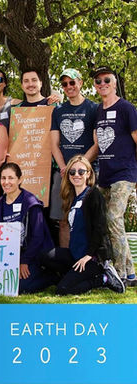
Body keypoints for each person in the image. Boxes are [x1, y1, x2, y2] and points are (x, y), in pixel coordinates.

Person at [40, 155, 125, 295]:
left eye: (81, 171)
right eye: (72, 172)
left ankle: (102, 279)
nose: (76, 175)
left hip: (91, 258)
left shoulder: (93, 195)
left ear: (88, 174)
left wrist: (88, 256)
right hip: (75, 255)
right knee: (44, 256)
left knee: (62, 290)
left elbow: (100, 229)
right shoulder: (72, 197)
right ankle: (72, 275)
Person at [92, 66, 137, 285]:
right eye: (98, 81)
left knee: (113, 217)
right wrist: (78, 162)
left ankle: (119, 272)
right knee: (102, 219)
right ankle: (129, 273)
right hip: (104, 175)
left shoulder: (127, 108)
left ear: (114, 82)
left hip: (125, 173)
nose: (102, 84)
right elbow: (97, 144)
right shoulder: (98, 111)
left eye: (106, 80)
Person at [50, 68, 98, 247]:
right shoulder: (58, 110)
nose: (69, 86)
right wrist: (64, 168)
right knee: (63, 221)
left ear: (81, 83)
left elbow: (97, 143)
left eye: (72, 82)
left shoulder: (93, 108)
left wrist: (80, 167)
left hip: (86, 173)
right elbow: (54, 143)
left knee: (88, 221)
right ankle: (67, 266)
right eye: (64, 84)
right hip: (62, 173)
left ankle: (90, 264)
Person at [0, 163, 55, 293]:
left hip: (35, 255)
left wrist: (24, 261)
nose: (6, 182)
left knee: (21, 287)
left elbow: (38, 236)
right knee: (4, 283)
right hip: (13, 256)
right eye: (3, 178)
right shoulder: (0, 203)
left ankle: (53, 276)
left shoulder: (30, 202)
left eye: (11, 178)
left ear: (20, 180)